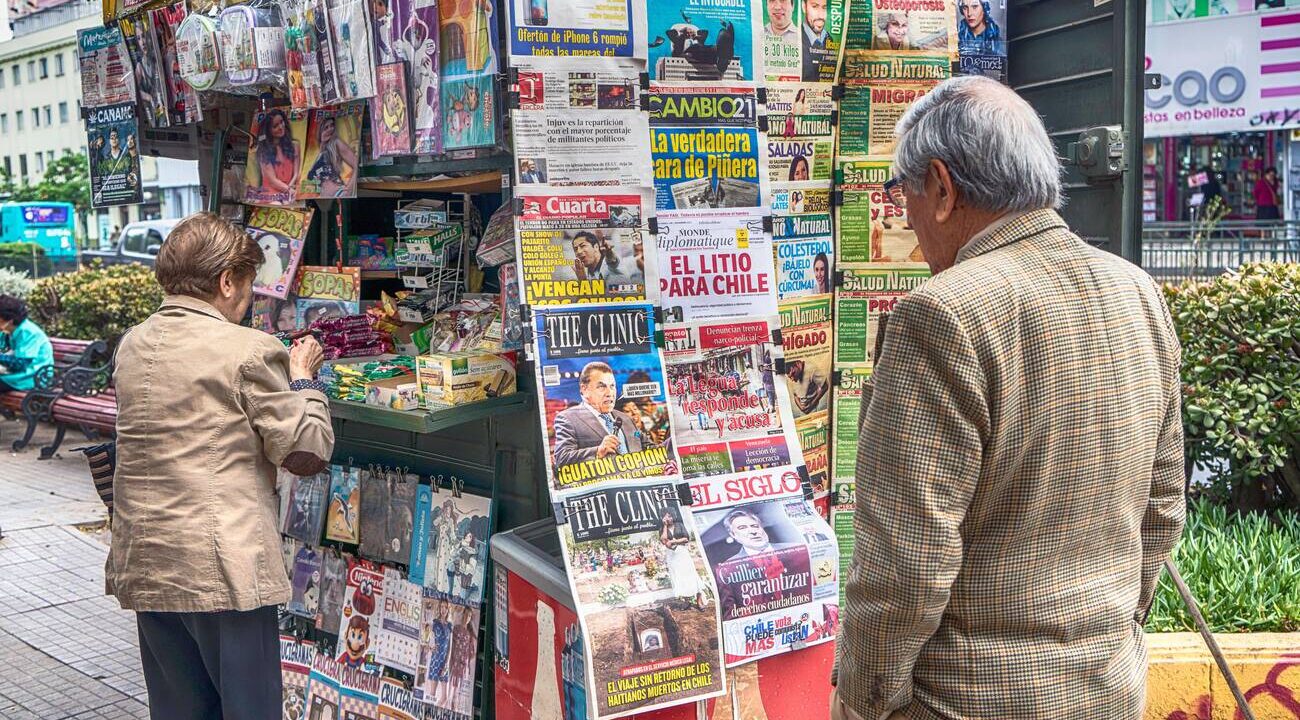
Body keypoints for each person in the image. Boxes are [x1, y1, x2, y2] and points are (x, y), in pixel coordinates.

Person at [832, 76, 1184, 720]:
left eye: (902, 194)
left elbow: (903, 566)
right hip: (1111, 690)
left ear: (941, 188)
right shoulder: (1137, 293)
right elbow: (1162, 507)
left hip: (965, 701)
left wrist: (862, 703)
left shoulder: (940, 314)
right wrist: (1107, 639)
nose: (905, 220)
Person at [108, 212, 334, 720]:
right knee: (249, 708)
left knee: (179, 709)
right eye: (250, 284)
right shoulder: (249, 349)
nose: (250, 298)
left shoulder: (134, 343)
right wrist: (304, 381)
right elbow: (307, 452)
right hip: (224, 569)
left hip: (149, 559)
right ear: (227, 280)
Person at [552, 361, 645, 471]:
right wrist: (598, 452)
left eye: (612, 386)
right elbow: (562, 459)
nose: (609, 393)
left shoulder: (625, 418)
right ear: (584, 389)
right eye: (602, 387)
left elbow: (648, 446)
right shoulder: (568, 419)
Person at [0, 295, 54, 393]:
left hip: (32, 378)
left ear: (9, 320)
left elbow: (20, 363)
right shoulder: (8, 330)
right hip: (17, 375)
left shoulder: (28, 332)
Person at [660, 511, 706, 608]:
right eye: (665, 517)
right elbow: (664, 540)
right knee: (679, 577)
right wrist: (664, 526)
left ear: (673, 517)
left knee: (691, 574)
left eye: (669, 516)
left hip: (682, 553)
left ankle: (699, 600)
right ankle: (687, 601)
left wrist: (673, 541)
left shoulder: (679, 525)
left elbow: (686, 538)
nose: (668, 519)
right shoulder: (662, 528)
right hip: (672, 556)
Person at [567, 230, 642, 286]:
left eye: (583, 246)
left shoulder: (608, 265)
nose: (579, 252)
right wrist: (583, 281)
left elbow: (613, 262)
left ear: (596, 247)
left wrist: (609, 253)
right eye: (575, 249)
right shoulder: (586, 272)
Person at [256, 108, 300, 196]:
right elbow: (272, 181)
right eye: (275, 126)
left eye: (281, 122)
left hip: (290, 192)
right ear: (268, 131)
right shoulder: (263, 151)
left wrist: (290, 189)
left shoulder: (295, 145)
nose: (281, 127)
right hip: (270, 195)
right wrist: (288, 190)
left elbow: (296, 173)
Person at [719, 509, 794, 561]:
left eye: (755, 526)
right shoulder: (729, 567)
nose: (753, 531)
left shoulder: (794, 548)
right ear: (733, 534)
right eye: (742, 528)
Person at [800, 0, 829, 80]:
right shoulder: (795, 36)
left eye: (824, 7)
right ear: (804, 6)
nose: (820, 15)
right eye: (815, 6)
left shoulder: (829, 38)